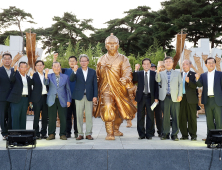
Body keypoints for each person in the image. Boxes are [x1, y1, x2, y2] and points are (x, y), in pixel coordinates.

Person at [95, 33, 136, 140]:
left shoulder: (123, 58)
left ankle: (116, 128)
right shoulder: (101, 59)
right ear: (105, 45)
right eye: (109, 43)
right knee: (108, 106)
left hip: (120, 89)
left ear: (118, 45)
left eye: (114, 43)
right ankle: (110, 132)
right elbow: (97, 76)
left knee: (119, 110)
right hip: (106, 89)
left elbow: (128, 71)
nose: (112, 45)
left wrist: (126, 78)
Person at [70, 54, 98, 140]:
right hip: (79, 97)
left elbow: (95, 85)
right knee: (78, 116)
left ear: (88, 62)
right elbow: (71, 79)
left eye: (85, 61)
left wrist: (95, 96)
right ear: (79, 62)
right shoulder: (76, 71)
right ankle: (80, 134)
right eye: (82, 61)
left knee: (89, 115)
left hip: (89, 96)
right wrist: (74, 71)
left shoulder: (93, 71)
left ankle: (88, 133)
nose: (83, 62)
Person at [156, 56, 182, 141]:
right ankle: (165, 133)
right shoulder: (161, 73)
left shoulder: (177, 73)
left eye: (170, 61)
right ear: (164, 63)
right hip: (165, 97)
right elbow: (157, 80)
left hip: (175, 98)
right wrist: (158, 71)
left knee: (175, 117)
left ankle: (174, 134)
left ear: (173, 63)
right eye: (166, 61)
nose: (168, 63)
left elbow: (180, 85)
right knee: (165, 117)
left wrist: (180, 95)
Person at [44, 62, 71, 140]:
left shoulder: (65, 77)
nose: (56, 68)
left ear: (60, 67)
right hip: (52, 99)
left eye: (58, 66)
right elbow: (46, 83)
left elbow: (68, 89)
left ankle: (63, 134)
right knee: (52, 118)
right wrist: (46, 74)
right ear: (52, 68)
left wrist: (69, 100)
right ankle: (51, 134)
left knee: (63, 117)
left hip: (62, 99)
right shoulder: (49, 76)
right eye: (54, 66)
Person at [53, 53, 78, 138]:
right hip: (67, 97)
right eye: (70, 61)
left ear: (76, 62)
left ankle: (77, 132)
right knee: (67, 116)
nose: (71, 62)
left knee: (76, 116)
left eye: (73, 61)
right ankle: (68, 132)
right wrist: (55, 59)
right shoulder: (65, 70)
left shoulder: (80, 70)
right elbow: (56, 69)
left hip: (77, 97)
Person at [133, 59, 159, 139]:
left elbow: (156, 87)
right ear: (142, 65)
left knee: (150, 116)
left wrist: (156, 98)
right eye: (144, 64)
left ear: (150, 65)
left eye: (148, 64)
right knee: (140, 116)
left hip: (150, 97)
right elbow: (133, 80)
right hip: (141, 97)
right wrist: (136, 69)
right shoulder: (139, 73)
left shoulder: (154, 74)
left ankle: (149, 134)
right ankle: (141, 134)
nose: (146, 65)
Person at [195, 57, 222, 134]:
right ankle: (211, 138)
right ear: (206, 65)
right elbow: (199, 85)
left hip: (218, 101)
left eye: (213, 62)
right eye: (209, 63)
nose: (211, 64)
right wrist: (197, 78)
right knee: (209, 121)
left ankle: (219, 139)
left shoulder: (220, 74)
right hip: (207, 101)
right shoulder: (203, 75)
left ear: (215, 64)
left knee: (219, 121)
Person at [7, 61, 31, 129]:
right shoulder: (15, 75)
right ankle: (15, 133)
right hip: (16, 99)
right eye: (21, 67)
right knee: (15, 117)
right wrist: (14, 70)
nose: (23, 69)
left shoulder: (28, 77)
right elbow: (11, 80)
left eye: (25, 67)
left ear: (27, 68)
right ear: (19, 68)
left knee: (23, 117)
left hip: (25, 99)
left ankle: (22, 133)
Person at [179, 60, 198, 141]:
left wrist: (189, 81)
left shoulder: (194, 75)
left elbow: (195, 86)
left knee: (192, 117)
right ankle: (184, 135)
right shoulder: (179, 75)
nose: (185, 66)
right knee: (182, 117)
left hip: (191, 99)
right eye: (183, 64)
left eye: (187, 64)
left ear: (190, 65)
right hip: (181, 98)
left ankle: (193, 135)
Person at [30, 60, 48, 139]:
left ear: (43, 66)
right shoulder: (34, 75)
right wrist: (30, 76)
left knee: (45, 117)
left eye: (41, 65)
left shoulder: (46, 75)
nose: (39, 67)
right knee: (36, 116)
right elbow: (30, 84)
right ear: (35, 67)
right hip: (37, 98)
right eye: (38, 65)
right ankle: (36, 133)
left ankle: (43, 133)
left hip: (45, 97)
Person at [0, 53, 14, 139]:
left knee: (10, 115)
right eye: (5, 58)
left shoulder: (14, 71)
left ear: (11, 60)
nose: (7, 60)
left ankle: (10, 131)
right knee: (2, 115)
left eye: (9, 58)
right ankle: (4, 132)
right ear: (2, 60)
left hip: (12, 97)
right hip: (2, 97)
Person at [150, 63, 163, 137]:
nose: (153, 69)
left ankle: (160, 131)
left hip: (158, 98)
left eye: (154, 68)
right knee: (151, 115)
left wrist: (157, 98)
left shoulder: (159, 75)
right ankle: (151, 131)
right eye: (151, 68)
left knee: (159, 116)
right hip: (151, 98)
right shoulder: (148, 75)